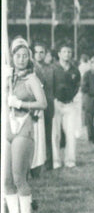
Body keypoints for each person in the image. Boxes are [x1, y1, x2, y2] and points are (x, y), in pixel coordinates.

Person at [4, 38, 48, 213]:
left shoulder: (31, 78)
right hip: (7, 130)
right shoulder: (8, 77)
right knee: (5, 179)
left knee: (19, 177)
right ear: (12, 57)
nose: (21, 59)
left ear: (29, 58)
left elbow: (43, 103)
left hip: (24, 128)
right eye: (17, 55)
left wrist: (21, 104)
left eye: (24, 56)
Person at [51, 45, 81, 169]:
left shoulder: (75, 70)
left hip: (69, 104)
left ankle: (70, 160)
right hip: (56, 103)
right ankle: (56, 160)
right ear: (59, 54)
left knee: (70, 133)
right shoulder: (53, 68)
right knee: (55, 134)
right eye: (64, 51)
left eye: (69, 51)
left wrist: (71, 98)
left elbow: (77, 86)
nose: (67, 54)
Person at [32, 43, 55, 171]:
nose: (39, 55)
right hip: (34, 105)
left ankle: (48, 163)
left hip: (48, 105)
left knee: (47, 134)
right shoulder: (30, 68)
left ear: (45, 53)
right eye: (37, 52)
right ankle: (34, 165)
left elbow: (54, 88)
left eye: (42, 52)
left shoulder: (51, 69)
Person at [80, 56, 94, 144]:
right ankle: (91, 138)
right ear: (91, 64)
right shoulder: (87, 74)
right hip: (90, 100)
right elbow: (83, 88)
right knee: (89, 120)